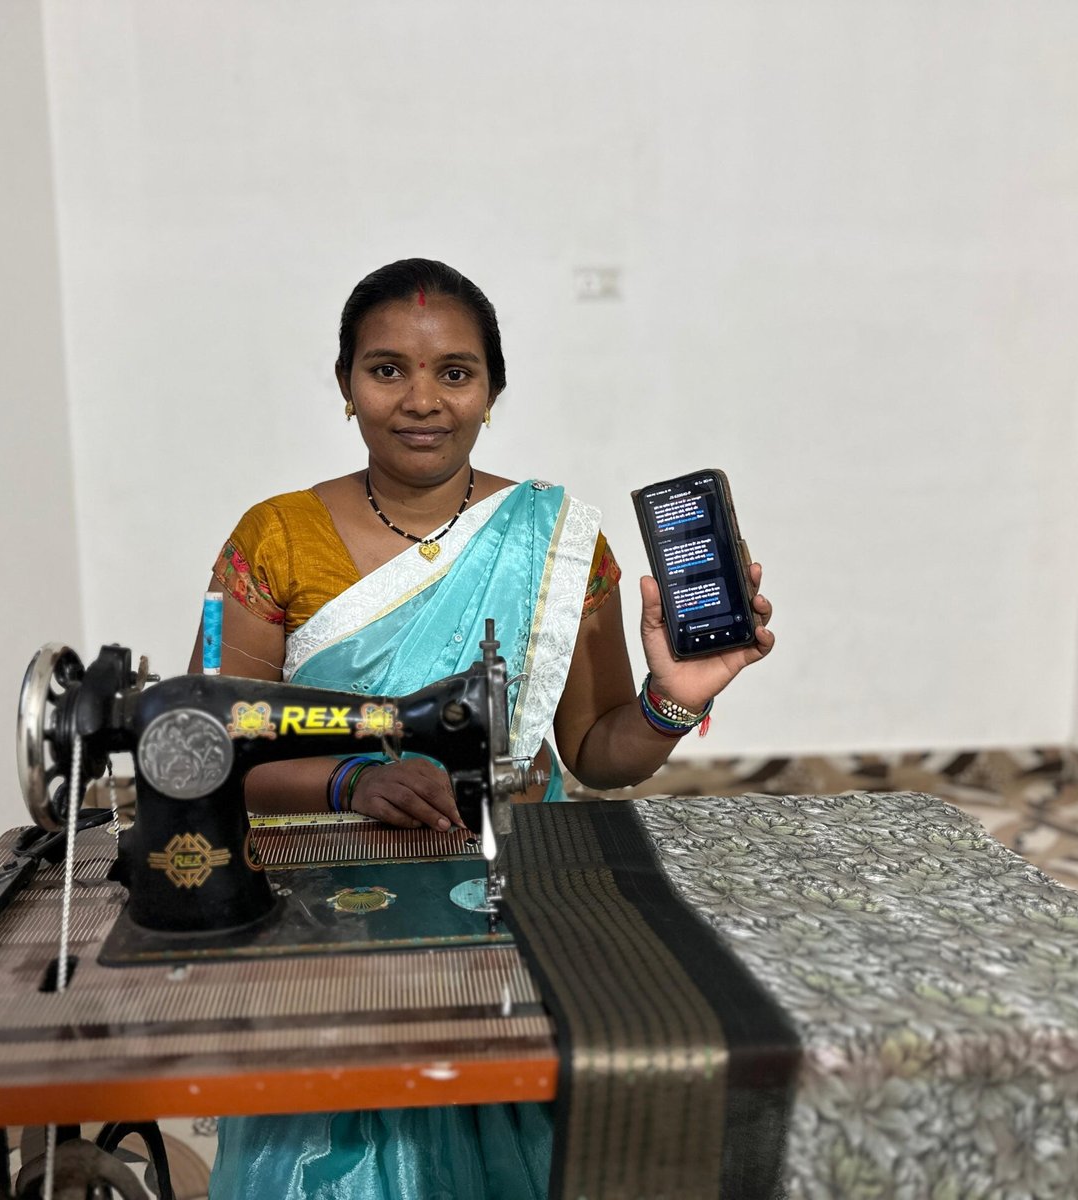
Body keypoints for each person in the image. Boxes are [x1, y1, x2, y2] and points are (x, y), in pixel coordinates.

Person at [194, 258, 774, 1199]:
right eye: (387, 370)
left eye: (455, 373)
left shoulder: (558, 540)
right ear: (346, 386)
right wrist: (349, 782)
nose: (422, 400)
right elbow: (212, 746)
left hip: (515, 908)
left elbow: (597, 755)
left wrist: (677, 694)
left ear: (493, 391)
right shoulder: (274, 539)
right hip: (327, 916)